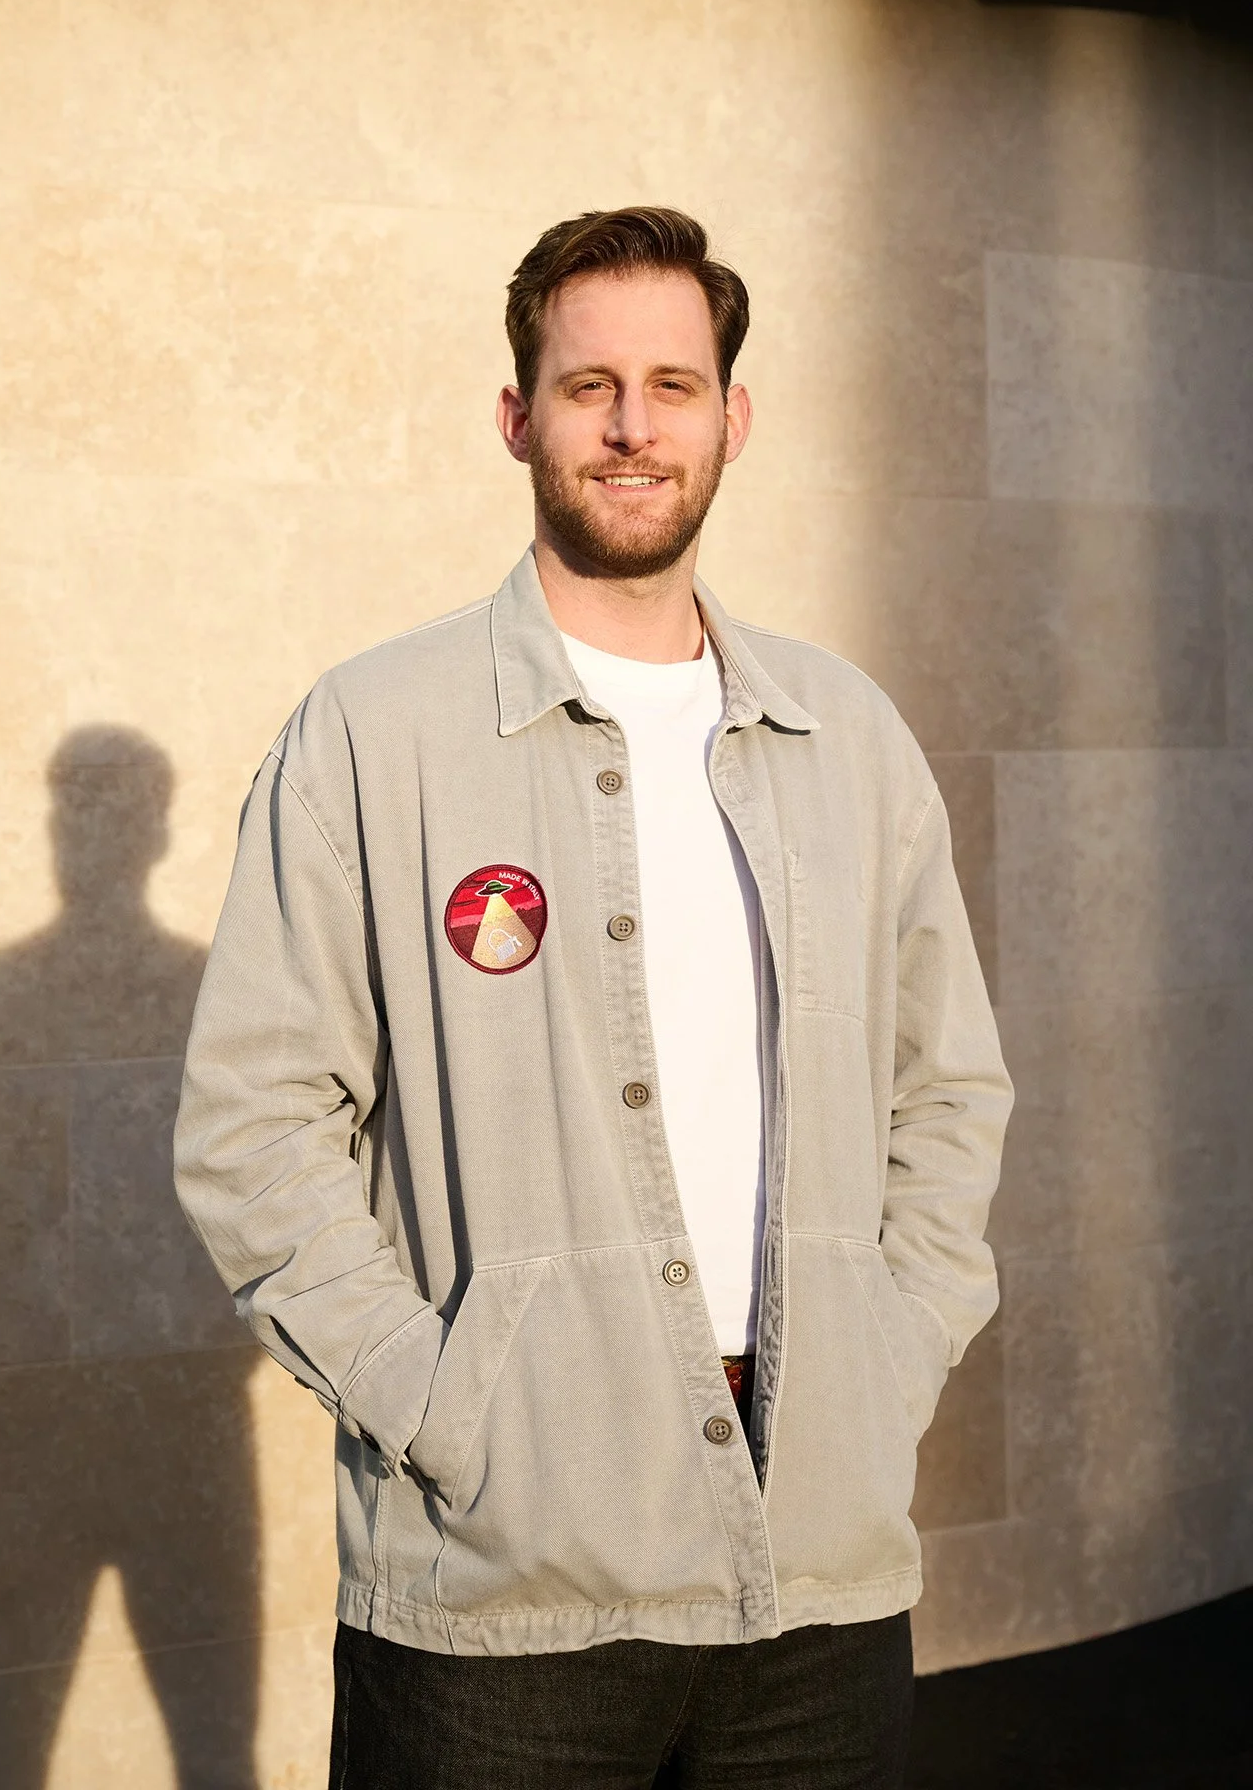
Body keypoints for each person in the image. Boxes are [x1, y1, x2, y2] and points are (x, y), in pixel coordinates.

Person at [174, 207, 1012, 1789]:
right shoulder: (374, 735)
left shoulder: (853, 738)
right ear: (518, 418)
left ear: (732, 418)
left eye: (674, 386)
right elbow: (253, 1127)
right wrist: (451, 1408)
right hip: (502, 1609)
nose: (635, 427)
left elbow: (949, 1090)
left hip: (819, 1579)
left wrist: (896, 1348)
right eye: (590, 388)